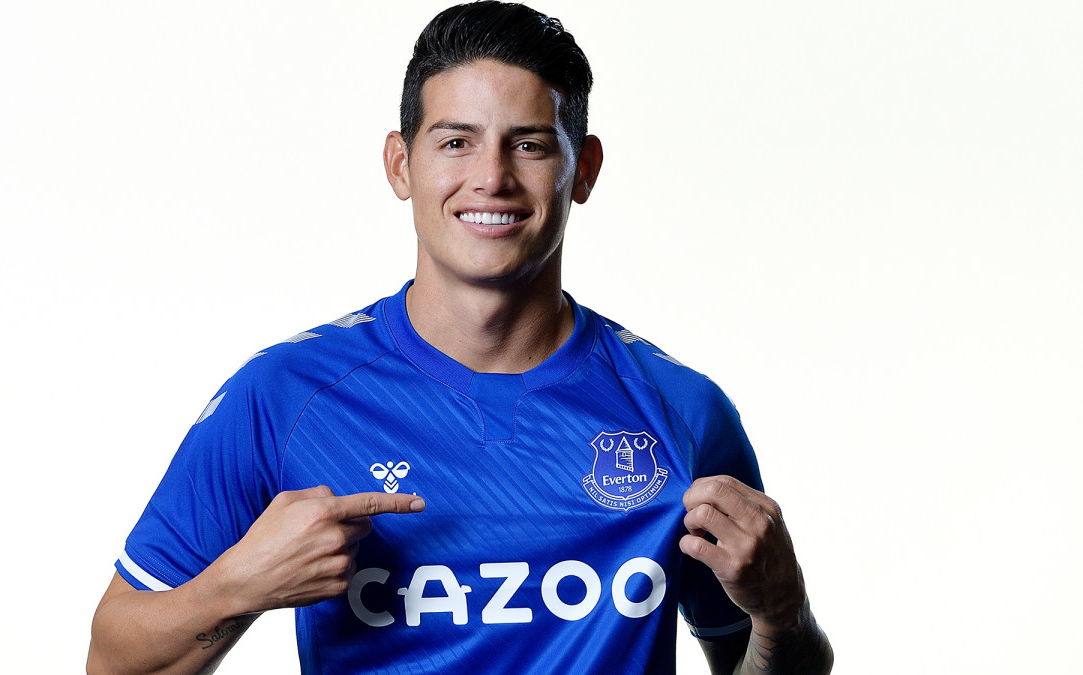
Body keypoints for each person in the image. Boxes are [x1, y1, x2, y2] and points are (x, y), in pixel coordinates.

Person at [87, 2, 833, 673]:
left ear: (583, 170)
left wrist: (783, 615)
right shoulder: (286, 398)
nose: (491, 177)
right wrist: (237, 587)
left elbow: (768, 662)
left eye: (529, 145)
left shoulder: (682, 412)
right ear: (400, 164)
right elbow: (114, 662)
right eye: (455, 142)